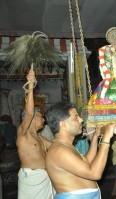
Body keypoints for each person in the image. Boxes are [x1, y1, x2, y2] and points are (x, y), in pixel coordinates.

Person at [45, 101, 116, 198]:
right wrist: (106, 139)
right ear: (63, 124)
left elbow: (86, 161)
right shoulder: (59, 151)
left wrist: (95, 137)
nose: (81, 120)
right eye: (76, 117)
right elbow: (94, 173)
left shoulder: (65, 146)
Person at [16, 69, 54, 199]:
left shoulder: (39, 137)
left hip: (45, 178)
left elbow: (56, 146)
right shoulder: (23, 134)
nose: (43, 119)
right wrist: (30, 87)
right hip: (32, 180)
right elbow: (29, 113)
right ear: (32, 119)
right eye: (41, 117)